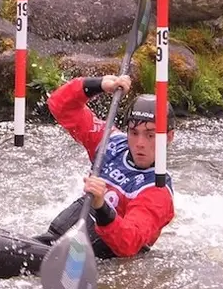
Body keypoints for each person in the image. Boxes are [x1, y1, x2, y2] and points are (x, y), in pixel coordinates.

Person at [34, 74, 175, 258]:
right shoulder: (111, 143)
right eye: (134, 132)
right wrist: (99, 85)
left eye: (150, 135)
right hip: (58, 240)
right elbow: (59, 105)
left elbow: (129, 243)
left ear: (169, 137)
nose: (140, 143)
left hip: (100, 258)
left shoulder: (157, 190)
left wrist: (101, 206)